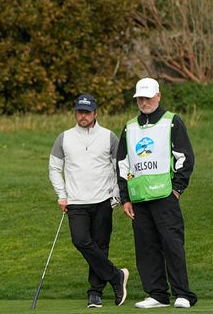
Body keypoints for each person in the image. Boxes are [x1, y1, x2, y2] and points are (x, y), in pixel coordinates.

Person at [116, 77, 197, 309]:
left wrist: (177, 188)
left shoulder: (172, 122)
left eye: (148, 97)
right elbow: (123, 164)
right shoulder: (130, 127)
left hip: (165, 196)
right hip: (139, 199)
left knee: (172, 244)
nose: (144, 102)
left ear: (158, 96)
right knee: (146, 247)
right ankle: (158, 295)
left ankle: (183, 293)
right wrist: (126, 197)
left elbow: (185, 157)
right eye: (140, 98)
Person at [48, 94, 129, 308]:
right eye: (79, 112)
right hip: (76, 201)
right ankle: (116, 276)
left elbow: (119, 168)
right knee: (81, 240)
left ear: (96, 113)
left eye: (87, 112)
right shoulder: (64, 137)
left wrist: (116, 196)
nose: (82, 116)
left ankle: (95, 292)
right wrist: (62, 195)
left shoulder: (108, 137)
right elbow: (54, 168)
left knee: (100, 246)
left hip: (103, 199)